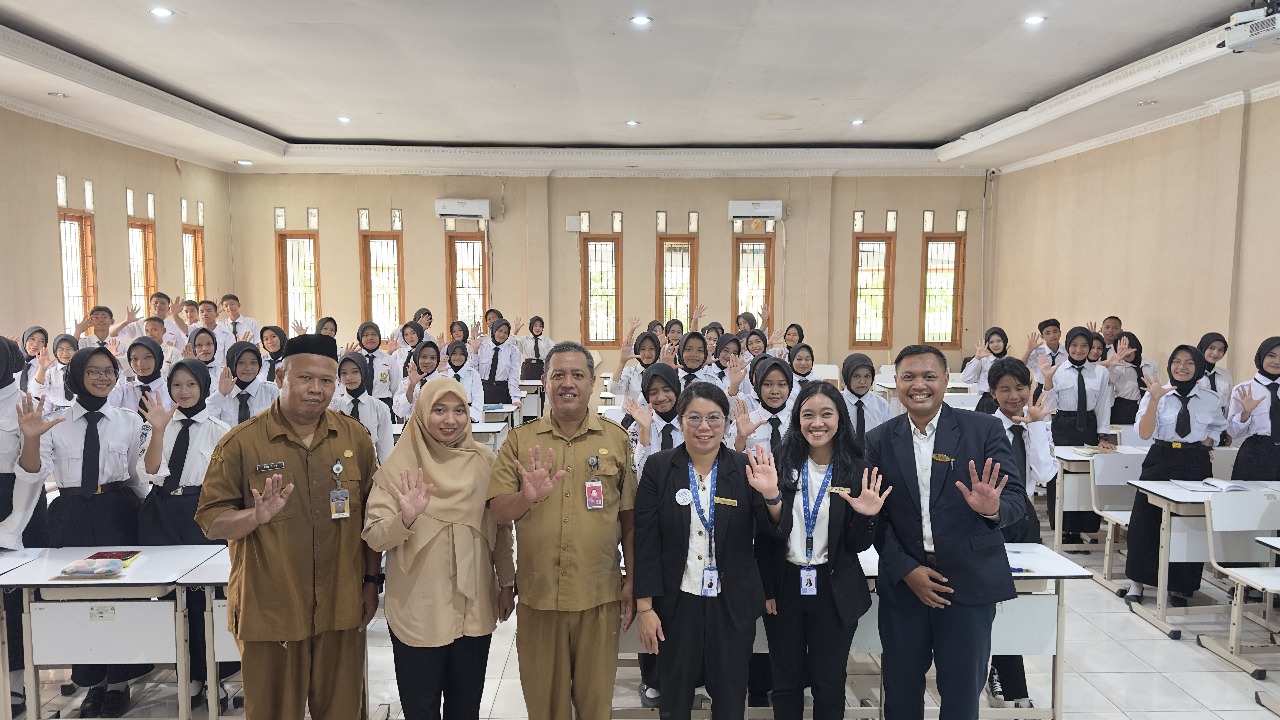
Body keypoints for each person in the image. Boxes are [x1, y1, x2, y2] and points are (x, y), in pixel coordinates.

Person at [196, 333, 382, 720]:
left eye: (326, 381)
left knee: (344, 711)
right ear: (281, 375)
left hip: (340, 604)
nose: (316, 390)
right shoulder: (241, 444)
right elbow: (211, 522)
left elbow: (369, 518)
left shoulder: (355, 439)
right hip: (272, 609)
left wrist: (370, 582)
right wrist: (255, 517)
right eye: (305, 378)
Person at [866, 344, 1024, 720]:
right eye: (909, 377)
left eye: (929, 376)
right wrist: (906, 569)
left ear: (946, 381)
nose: (919, 385)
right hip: (906, 586)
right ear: (896, 383)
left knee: (962, 693)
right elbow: (874, 518)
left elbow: (1017, 499)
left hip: (967, 583)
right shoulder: (878, 439)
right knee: (901, 693)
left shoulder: (982, 429)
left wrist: (994, 508)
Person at [486, 341, 636, 720]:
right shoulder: (521, 441)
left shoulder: (615, 439)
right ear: (544, 381)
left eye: (577, 375)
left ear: (592, 383)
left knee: (595, 707)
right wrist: (526, 496)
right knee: (544, 708)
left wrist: (633, 580)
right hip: (540, 597)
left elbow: (630, 519)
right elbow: (498, 511)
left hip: (599, 593)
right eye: (558, 375)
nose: (567, 383)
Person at [362, 377, 516, 720]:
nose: (450, 420)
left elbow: (501, 530)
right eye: (439, 410)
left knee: (466, 709)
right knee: (422, 709)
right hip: (418, 609)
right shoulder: (400, 468)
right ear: (420, 414)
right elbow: (373, 535)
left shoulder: (484, 462)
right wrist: (404, 518)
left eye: (459, 410)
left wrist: (506, 583)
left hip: (474, 607)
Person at [633, 381, 784, 720]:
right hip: (676, 604)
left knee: (730, 702)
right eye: (694, 417)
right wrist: (645, 607)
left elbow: (771, 529)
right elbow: (644, 540)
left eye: (714, 418)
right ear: (681, 420)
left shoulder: (744, 468)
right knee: (673, 701)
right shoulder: (659, 468)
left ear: (727, 422)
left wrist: (772, 496)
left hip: (731, 608)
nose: (704, 427)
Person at [16, 346, 151, 717]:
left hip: (116, 511)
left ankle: (120, 681)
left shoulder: (128, 420)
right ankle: (92, 682)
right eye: (93, 371)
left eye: (109, 370)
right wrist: (30, 437)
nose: (103, 377)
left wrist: (155, 516)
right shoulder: (55, 420)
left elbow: (139, 477)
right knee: (77, 597)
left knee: (122, 597)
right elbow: (32, 472)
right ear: (77, 375)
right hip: (71, 514)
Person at [760, 381, 887, 720]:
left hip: (833, 587)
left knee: (829, 685)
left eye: (826, 414)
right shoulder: (780, 463)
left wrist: (867, 517)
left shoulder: (856, 469)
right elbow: (765, 535)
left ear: (840, 419)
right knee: (785, 683)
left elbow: (858, 545)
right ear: (797, 420)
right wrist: (768, 587)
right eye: (808, 415)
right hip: (785, 585)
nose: (817, 423)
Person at [136, 360, 239, 707]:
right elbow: (150, 472)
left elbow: (229, 480)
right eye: (177, 384)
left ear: (204, 387)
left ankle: (214, 678)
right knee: (171, 599)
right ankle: (188, 678)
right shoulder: (158, 425)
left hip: (202, 513)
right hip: (162, 513)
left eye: (191, 384)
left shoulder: (220, 428)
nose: (183, 391)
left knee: (205, 599)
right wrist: (159, 431)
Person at [1124, 345, 1226, 606]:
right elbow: (1145, 434)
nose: (1182, 367)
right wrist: (1155, 400)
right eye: (1177, 362)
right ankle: (1137, 582)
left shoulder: (1210, 398)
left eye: (1189, 362)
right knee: (1146, 523)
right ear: (1169, 365)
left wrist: (1207, 444)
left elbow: (1217, 428)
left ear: (1198, 367)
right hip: (1161, 458)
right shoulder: (1154, 394)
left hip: (1195, 462)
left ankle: (1180, 585)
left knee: (1188, 524)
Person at [984, 358, 1056, 711]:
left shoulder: (1036, 426)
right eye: (1005, 389)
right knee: (992, 596)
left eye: (1020, 388)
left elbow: (1045, 474)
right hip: (989, 515)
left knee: (1020, 596)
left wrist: (1038, 428)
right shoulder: (983, 428)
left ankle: (1006, 671)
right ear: (992, 393)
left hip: (1023, 516)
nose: (1013, 396)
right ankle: (1003, 675)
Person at [0, 337, 49, 716]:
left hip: (16, 503)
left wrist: (12, 525)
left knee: (15, 602)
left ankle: (17, 683)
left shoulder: (21, 403)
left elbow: (31, 472)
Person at [1038, 326, 1117, 549]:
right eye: (1074, 345)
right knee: (1061, 476)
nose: (1079, 349)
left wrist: (1103, 435)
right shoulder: (1057, 370)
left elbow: (1102, 405)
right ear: (1068, 346)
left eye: (1084, 345)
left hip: (1088, 427)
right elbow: (1049, 405)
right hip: (1063, 426)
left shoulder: (1100, 372)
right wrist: (1048, 381)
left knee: (1085, 477)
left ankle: (1082, 527)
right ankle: (1062, 527)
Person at [1228, 337, 1280, 481]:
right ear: (1261, 356)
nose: (1277, 361)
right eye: (1271, 355)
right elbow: (1233, 432)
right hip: (1256, 454)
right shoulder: (1244, 389)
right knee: (1251, 501)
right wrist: (1246, 413)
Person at [331, 352, 394, 462]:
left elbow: (385, 448)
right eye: (343, 373)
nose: (349, 377)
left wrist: (385, 476)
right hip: (339, 465)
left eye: (355, 372)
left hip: (368, 464)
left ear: (364, 372)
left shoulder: (380, 408)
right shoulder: (333, 407)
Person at [210, 342, 279, 427]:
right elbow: (205, 421)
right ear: (232, 364)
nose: (248, 368)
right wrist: (220, 394)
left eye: (253, 362)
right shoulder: (221, 393)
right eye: (241, 362)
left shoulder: (271, 391)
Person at [735, 357, 794, 453]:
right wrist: (741, 438)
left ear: (789, 387)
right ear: (758, 386)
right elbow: (729, 463)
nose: (775, 391)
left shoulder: (798, 424)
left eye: (782, 384)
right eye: (767, 384)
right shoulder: (743, 424)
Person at [108, 337, 173, 417]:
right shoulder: (123, 390)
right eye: (135, 358)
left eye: (147, 357)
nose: (140, 363)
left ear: (158, 358)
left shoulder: (170, 391)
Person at [840, 353, 891, 447]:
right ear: (847, 377)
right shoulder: (836, 402)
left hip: (873, 459)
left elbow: (889, 436)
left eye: (867, 376)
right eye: (856, 376)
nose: (862, 382)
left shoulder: (881, 405)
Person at [469, 319, 520, 407]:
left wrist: (515, 398)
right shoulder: (481, 347)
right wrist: (474, 351)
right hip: (483, 391)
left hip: (502, 392)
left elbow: (513, 376)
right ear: (494, 330)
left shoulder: (512, 351)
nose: (502, 335)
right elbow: (473, 372)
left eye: (505, 332)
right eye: (499, 331)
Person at [1108, 331, 1156, 424]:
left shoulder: (1151, 365)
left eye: (1129, 347)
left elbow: (1156, 386)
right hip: (1123, 409)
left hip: (1147, 406)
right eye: (1121, 349)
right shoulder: (1118, 366)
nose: (1127, 352)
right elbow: (1109, 379)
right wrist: (1112, 365)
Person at [350, 322, 399, 413]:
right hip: (359, 405)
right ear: (360, 338)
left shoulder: (389, 360)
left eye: (374, 334)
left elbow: (395, 388)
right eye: (365, 335)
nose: (370, 338)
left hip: (383, 405)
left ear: (379, 337)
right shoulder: (354, 359)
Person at [962, 326, 1008, 414]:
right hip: (988, 402)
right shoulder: (983, 361)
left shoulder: (1010, 361)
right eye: (991, 342)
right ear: (987, 344)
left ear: (1004, 341)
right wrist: (977, 358)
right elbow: (966, 379)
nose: (995, 345)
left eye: (999, 341)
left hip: (1007, 401)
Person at [1197, 332, 1232, 444]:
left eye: (1221, 350)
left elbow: (1229, 406)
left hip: (1219, 429)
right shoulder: (1190, 374)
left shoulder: (1226, 376)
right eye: (1211, 348)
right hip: (1197, 430)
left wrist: (1228, 431)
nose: (1215, 353)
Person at [610, 331, 662, 406]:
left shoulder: (661, 372)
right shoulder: (630, 372)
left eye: (651, 348)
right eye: (643, 349)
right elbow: (613, 390)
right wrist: (622, 362)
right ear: (637, 350)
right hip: (632, 416)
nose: (647, 353)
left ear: (657, 350)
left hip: (655, 417)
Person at [394, 341, 443, 420]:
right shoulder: (406, 382)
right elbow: (399, 411)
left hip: (436, 428)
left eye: (433, 358)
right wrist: (411, 385)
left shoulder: (443, 382)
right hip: (412, 427)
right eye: (423, 357)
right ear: (416, 358)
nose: (428, 361)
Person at [30, 333, 77, 414]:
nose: (65, 353)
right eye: (60, 349)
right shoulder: (50, 372)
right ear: (55, 351)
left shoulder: (83, 371)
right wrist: (42, 369)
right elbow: (36, 391)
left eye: (69, 349)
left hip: (79, 413)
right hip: (57, 414)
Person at [442, 341, 484, 422]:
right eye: (454, 353)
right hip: (446, 418)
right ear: (448, 355)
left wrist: (468, 417)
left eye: (461, 354)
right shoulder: (442, 374)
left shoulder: (473, 374)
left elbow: (478, 400)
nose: (458, 357)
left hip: (469, 417)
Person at [1023, 319, 1064, 389]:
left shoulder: (1067, 350)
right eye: (1048, 333)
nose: (1052, 335)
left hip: (1063, 388)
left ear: (1060, 333)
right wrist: (1029, 350)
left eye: (1055, 332)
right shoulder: (1037, 352)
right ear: (1042, 336)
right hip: (1042, 388)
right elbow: (1021, 366)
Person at [514, 315, 555, 381]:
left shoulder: (547, 341)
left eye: (540, 326)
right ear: (531, 326)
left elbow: (555, 353)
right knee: (527, 389)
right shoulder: (524, 339)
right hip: (527, 367)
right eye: (535, 325)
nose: (538, 328)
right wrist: (516, 331)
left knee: (542, 389)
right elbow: (510, 344)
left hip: (542, 367)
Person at [16, 327, 45, 395]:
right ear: (25, 340)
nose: (35, 344)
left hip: (39, 405)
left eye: (41, 341)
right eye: (32, 339)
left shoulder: (47, 367)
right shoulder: (13, 363)